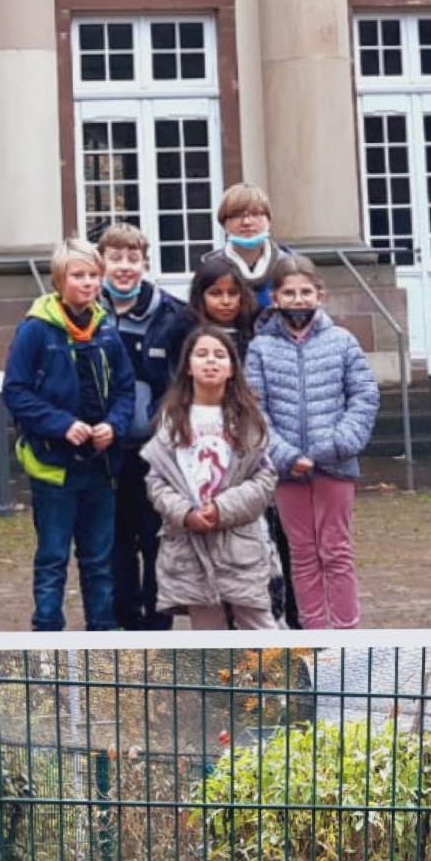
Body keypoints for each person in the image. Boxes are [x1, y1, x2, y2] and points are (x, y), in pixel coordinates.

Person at [3, 240, 135, 631]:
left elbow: (126, 390)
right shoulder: (35, 331)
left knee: (99, 559)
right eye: (79, 276)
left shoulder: (107, 331)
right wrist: (60, 424)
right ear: (59, 281)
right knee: (53, 557)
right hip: (53, 467)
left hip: (100, 466)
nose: (88, 283)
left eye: (94, 276)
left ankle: (102, 630)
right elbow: (17, 391)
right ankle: (47, 630)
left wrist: (115, 425)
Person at [245, 256, 379, 630]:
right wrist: (285, 456)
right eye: (289, 292)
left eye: (306, 291)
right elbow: (256, 412)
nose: (298, 299)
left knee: (336, 551)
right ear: (275, 298)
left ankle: (346, 632)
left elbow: (364, 397)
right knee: (302, 555)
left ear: (320, 295)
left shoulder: (342, 342)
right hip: (288, 472)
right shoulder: (260, 349)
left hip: (334, 465)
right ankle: (315, 632)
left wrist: (334, 446)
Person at [141, 327, 278, 630]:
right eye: (201, 354)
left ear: (232, 368)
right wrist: (185, 513)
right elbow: (157, 481)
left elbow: (264, 479)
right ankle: (218, 679)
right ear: (188, 366)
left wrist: (222, 509)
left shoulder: (248, 418)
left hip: (241, 542)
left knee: (257, 621)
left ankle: (276, 678)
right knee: (207, 630)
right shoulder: (170, 419)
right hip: (189, 544)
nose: (210, 361)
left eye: (219, 355)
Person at [190, 252, 295, 625]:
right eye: (216, 293)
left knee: (261, 552)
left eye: (232, 293)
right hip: (205, 464)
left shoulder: (259, 337)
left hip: (250, 457)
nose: (225, 301)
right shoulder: (190, 339)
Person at [99, 224, 192, 630]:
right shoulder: (85, 311)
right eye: (115, 259)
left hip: (157, 452)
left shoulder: (173, 315)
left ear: (145, 263)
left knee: (157, 542)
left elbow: (185, 379)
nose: (124, 268)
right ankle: (122, 624)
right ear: (100, 262)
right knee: (113, 545)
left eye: (132, 259)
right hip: (105, 452)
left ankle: (157, 629)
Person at [213, 184, 281, 309]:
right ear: (224, 224)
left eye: (255, 214)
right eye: (237, 216)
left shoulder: (290, 267)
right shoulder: (211, 271)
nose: (247, 222)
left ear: (269, 220)